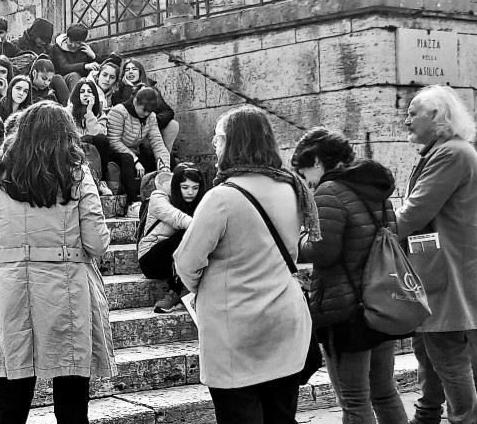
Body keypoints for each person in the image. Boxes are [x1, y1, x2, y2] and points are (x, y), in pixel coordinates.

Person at [0, 101, 116, 423]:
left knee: (11, 398)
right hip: (66, 290)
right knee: (72, 400)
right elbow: (96, 242)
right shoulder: (77, 176)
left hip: (10, 292)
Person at [173, 105, 318, 424]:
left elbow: (186, 262)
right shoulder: (292, 188)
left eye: (218, 139)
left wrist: (208, 289)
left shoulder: (222, 197)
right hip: (284, 322)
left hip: (235, 331)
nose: (215, 146)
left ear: (233, 142)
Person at [292, 127, 407, 423]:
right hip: (380, 301)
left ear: (317, 161)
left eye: (304, 172)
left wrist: (298, 241)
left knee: (354, 399)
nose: (306, 181)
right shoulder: (377, 191)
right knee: (384, 391)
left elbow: (323, 251)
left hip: (344, 309)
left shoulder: (329, 192)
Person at [395, 85, 477, 424]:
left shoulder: (450, 153)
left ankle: (464, 419)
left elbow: (414, 211)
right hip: (447, 268)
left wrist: (376, 233)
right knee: (431, 348)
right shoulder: (450, 151)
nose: (406, 121)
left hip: (449, 270)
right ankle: (428, 414)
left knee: (447, 354)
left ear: (435, 116)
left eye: (413, 114)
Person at [139, 163, 206, 314]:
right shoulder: (158, 197)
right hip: (152, 259)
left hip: (179, 257)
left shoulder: (198, 202)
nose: (190, 192)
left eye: (195, 188)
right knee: (190, 235)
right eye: (185, 187)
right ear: (176, 185)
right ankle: (177, 292)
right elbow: (178, 218)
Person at [107, 86, 171, 206]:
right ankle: (133, 203)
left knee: (165, 160)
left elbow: (157, 142)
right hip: (117, 154)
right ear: (135, 102)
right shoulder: (118, 112)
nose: (146, 113)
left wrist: (164, 165)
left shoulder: (150, 116)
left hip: (135, 153)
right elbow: (113, 141)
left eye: (149, 111)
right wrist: (135, 160)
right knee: (127, 159)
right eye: (144, 110)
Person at [112, 58, 180, 154]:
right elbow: (124, 109)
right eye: (127, 70)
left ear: (140, 72)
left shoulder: (151, 90)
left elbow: (167, 111)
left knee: (173, 125)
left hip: (149, 128)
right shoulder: (119, 92)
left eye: (134, 69)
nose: (130, 72)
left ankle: (164, 156)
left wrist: (151, 122)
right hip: (129, 130)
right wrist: (129, 88)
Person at [67, 78, 111, 195]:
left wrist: (89, 112)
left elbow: (100, 134)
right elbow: (70, 134)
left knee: (100, 139)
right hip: (75, 149)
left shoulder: (100, 114)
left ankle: (101, 181)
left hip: (96, 150)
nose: (86, 94)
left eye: (89, 91)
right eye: (82, 92)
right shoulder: (68, 112)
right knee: (87, 140)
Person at [51, 23, 101, 90]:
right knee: (74, 76)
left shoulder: (85, 49)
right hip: (63, 81)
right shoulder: (57, 48)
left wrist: (93, 56)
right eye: (70, 41)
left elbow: (101, 65)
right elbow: (63, 67)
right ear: (67, 37)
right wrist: (85, 66)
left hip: (83, 81)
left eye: (78, 43)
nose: (73, 45)